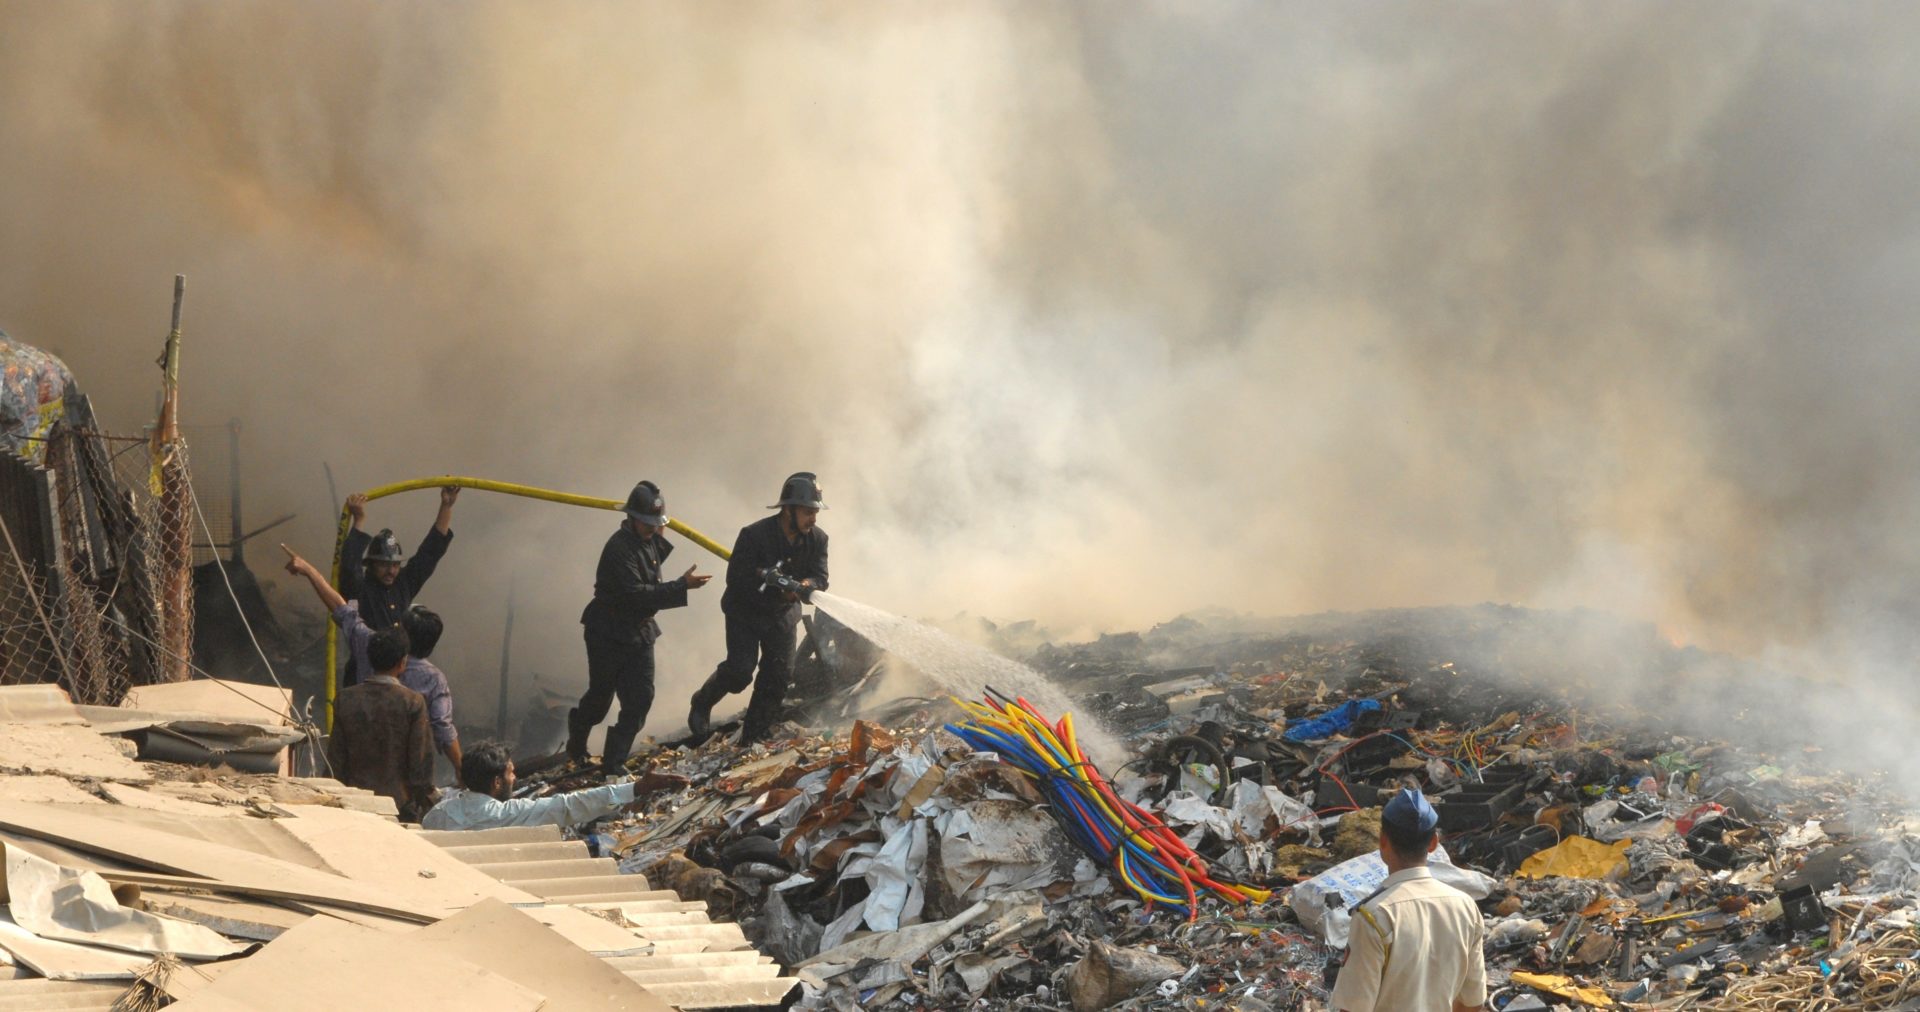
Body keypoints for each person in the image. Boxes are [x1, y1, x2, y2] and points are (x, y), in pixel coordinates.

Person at [567, 480, 712, 775]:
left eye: (654, 523)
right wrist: (682, 585)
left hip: (640, 632)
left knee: (640, 699)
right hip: (607, 631)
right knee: (600, 699)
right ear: (631, 518)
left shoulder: (650, 539)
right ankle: (577, 743)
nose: (651, 529)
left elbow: (657, 546)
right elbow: (638, 595)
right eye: (646, 522)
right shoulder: (617, 549)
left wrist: (660, 523)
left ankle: (613, 763)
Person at [285, 546, 462, 773]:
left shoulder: (371, 646)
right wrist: (461, 769)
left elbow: (341, 608)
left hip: (357, 763)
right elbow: (443, 729)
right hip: (401, 771)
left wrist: (309, 570)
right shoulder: (433, 679)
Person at [687, 472, 828, 744]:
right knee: (740, 672)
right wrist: (773, 586)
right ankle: (702, 701)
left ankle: (751, 737)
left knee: (777, 677)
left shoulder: (818, 540)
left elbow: (821, 577)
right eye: (808, 511)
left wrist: (805, 584)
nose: (813, 518)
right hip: (746, 613)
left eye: (815, 512)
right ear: (788, 510)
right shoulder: (754, 535)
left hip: (783, 618)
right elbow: (736, 580)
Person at [1330, 788, 1487, 1012]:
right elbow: (1473, 1003)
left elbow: (1353, 1007)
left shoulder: (1374, 915)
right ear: (1433, 843)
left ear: (1383, 842)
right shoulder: (1466, 907)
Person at [336, 486, 460, 686]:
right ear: (372, 564)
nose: (391, 571)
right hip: (365, 674)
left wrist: (446, 506)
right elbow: (349, 566)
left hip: (401, 675)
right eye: (385, 565)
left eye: (395, 564)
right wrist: (358, 520)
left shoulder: (403, 583)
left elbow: (429, 553)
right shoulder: (360, 588)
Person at [421, 741, 689, 831]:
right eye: (511, 773)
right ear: (496, 782)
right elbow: (569, 805)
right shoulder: (504, 815)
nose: (514, 779)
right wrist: (636, 788)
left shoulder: (437, 815)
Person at [325, 624, 435, 822]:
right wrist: (425, 800)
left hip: (353, 804)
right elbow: (420, 763)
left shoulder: (345, 699)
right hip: (398, 806)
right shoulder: (413, 702)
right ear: (403, 662)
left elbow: (335, 761)